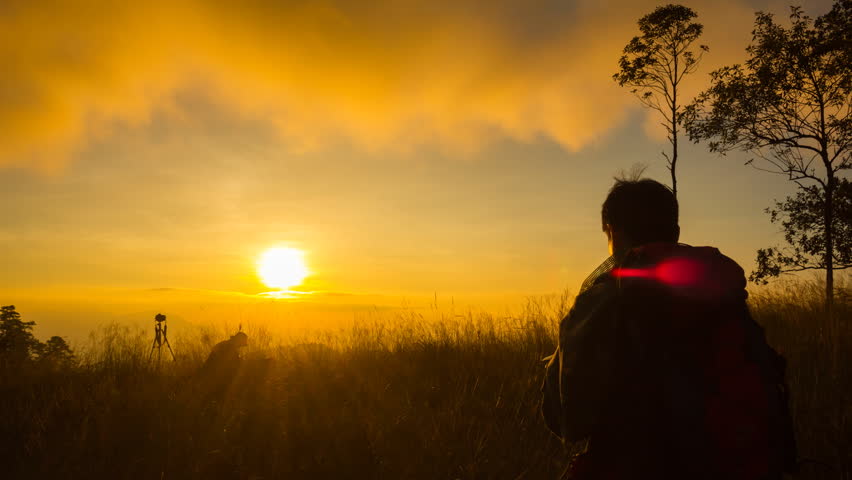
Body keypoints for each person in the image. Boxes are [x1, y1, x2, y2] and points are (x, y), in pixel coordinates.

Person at [541, 178, 796, 480]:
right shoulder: (720, 296)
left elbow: (569, 420)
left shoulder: (602, 299)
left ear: (614, 234)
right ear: (675, 233)